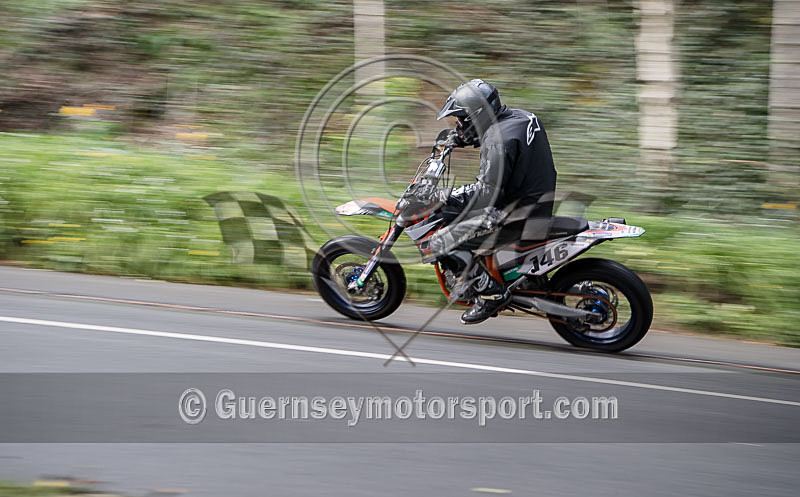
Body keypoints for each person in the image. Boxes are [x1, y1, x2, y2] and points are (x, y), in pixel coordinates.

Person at [430, 79, 557, 324]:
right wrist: (462, 137)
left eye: (462, 120)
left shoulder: (497, 140)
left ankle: (490, 295)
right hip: (537, 202)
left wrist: (446, 196)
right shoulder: (521, 118)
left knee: (439, 241)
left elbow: (487, 193)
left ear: (477, 115)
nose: (459, 124)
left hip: (516, 214)